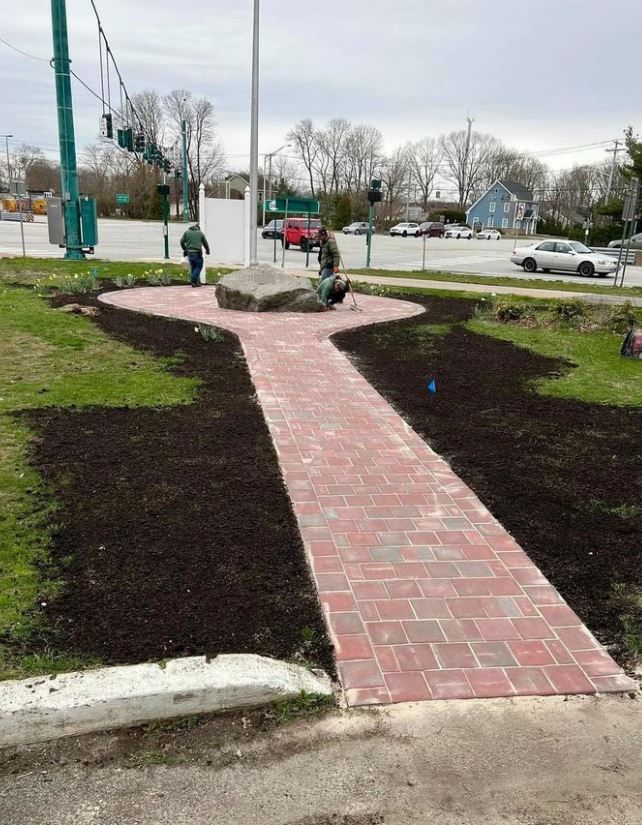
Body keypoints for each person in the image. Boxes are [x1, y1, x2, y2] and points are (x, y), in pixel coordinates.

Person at [180, 223, 210, 287]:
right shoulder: (200, 233)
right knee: (199, 266)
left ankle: (196, 283)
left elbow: (181, 241)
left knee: (194, 267)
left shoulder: (186, 232)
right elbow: (205, 243)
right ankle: (192, 280)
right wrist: (208, 250)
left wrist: (184, 248)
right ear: (198, 228)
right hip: (197, 253)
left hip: (189, 253)